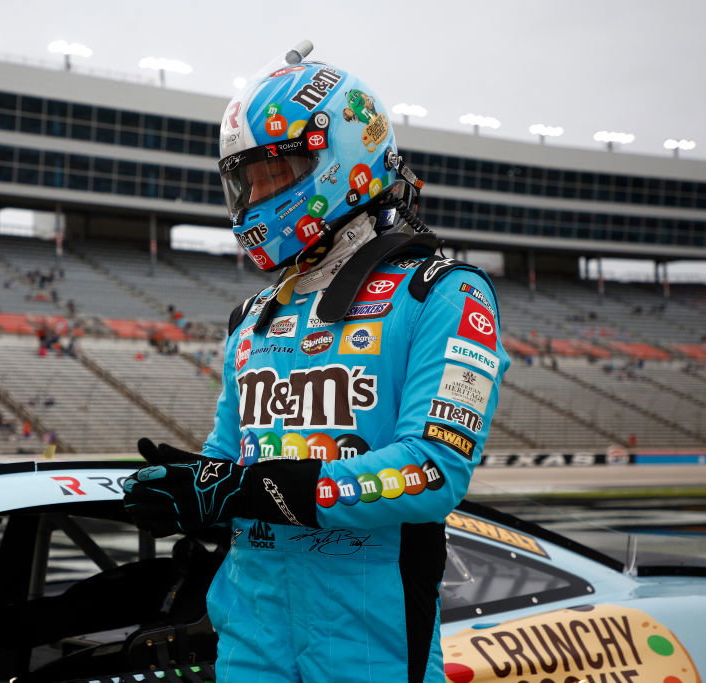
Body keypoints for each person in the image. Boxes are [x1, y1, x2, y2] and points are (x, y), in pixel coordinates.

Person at [123, 46, 509, 682]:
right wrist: (193, 494)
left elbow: (433, 472)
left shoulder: (446, 294)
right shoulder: (252, 317)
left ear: (342, 159)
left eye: (276, 172)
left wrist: (247, 489)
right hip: (250, 636)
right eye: (247, 180)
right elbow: (228, 461)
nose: (257, 195)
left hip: (370, 645)